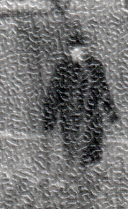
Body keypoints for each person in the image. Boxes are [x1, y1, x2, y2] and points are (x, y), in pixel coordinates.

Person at [41, 32, 120, 167]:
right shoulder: (62, 69)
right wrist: (49, 120)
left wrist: (110, 112)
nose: (83, 53)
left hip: (92, 117)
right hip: (71, 118)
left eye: (85, 49)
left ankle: (92, 175)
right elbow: (53, 96)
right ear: (71, 51)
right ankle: (75, 175)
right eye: (79, 49)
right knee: (74, 151)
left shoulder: (95, 67)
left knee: (93, 151)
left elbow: (103, 90)